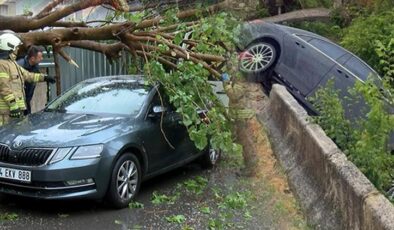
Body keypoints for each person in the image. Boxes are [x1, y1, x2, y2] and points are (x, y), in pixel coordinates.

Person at [0, 30, 55, 127]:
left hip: (16, 110)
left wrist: (44, 77)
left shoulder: (13, 63)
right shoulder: (2, 64)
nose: (17, 50)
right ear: (9, 47)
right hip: (6, 112)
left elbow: (28, 75)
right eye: (16, 47)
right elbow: (4, 87)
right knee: (5, 138)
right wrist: (13, 106)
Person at [17, 45, 43, 115]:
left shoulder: (35, 66)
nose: (42, 59)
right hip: (18, 102)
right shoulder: (19, 65)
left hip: (27, 100)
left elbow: (36, 77)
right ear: (32, 58)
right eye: (40, 57)